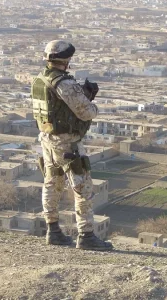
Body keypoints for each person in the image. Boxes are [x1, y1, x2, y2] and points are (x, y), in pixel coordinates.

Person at [31, 40, 113, 251]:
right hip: (67, 144)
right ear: (66, 60)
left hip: (47, 139)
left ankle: (53, 230)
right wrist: (88, 100)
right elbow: (87, 112)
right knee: (82, 187)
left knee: (51, 182)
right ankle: (86, 235)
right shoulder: (64, 83)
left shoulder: (40, 79)